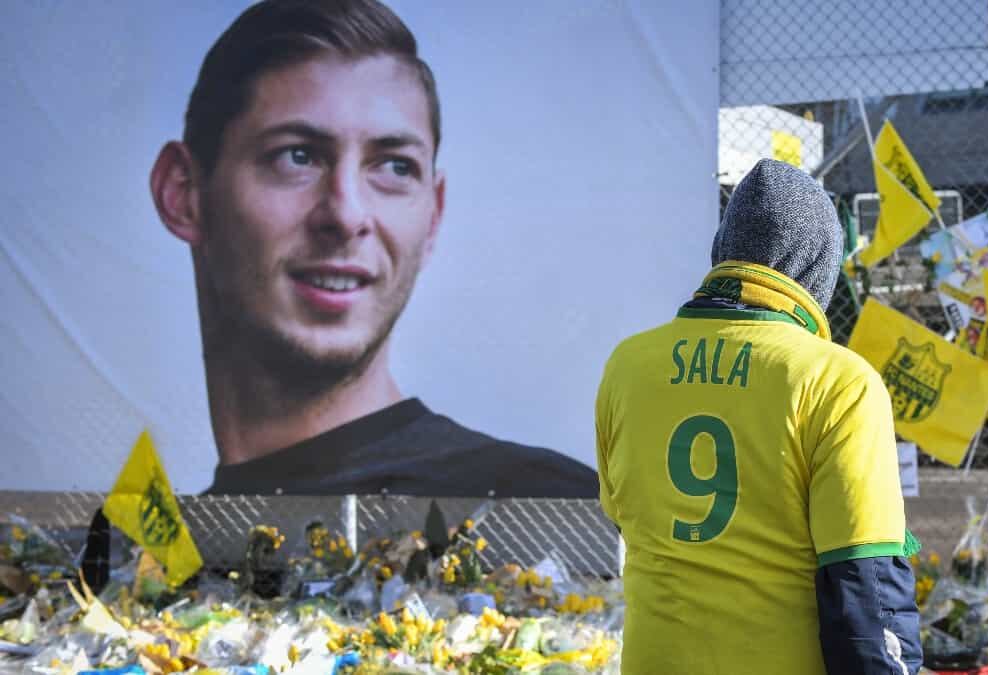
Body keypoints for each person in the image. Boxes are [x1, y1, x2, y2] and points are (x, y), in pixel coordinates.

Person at [149, 0, 597, 498]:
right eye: (296, 156)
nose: (345, 215)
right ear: (183, 193)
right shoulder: (146, 561)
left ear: (433, 216)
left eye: (394, 167)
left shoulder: (558, 519)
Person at [595, 159, 923, 674]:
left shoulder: (627, 366)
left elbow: (623, 516)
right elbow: (868, 585)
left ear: (722, 252)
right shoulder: (839, 381)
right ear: (820, 269)